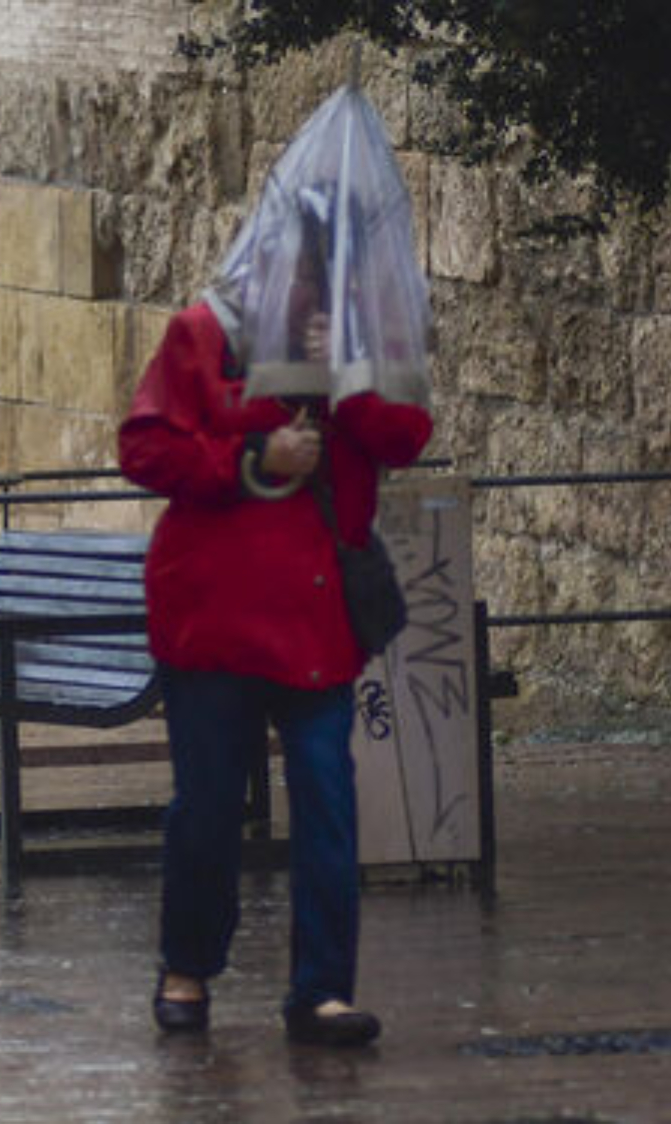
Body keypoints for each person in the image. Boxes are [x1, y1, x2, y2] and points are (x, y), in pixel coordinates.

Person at [117, 216, 432, 1044]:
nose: (303, 293)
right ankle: (187, 967)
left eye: (322, 281)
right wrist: (256, 459)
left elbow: (407, 435)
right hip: (211, 617)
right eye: (292, 276)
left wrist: (348, 376)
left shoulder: (358, 348)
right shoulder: (202, 335)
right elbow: (146, 449)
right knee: (209, 806)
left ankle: (321, 990)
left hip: (316, 620)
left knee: (328, 800)